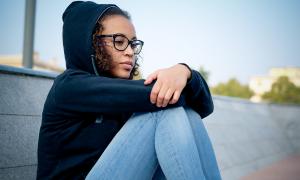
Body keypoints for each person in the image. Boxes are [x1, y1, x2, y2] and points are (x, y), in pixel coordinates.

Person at [37, 1, 222, 180]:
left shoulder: (123, 93)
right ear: (91, 44)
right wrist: (185, 74)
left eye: (133, 44)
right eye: (119, 41)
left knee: (187, 111)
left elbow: (203, 106)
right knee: (162, 107)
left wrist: (186, 72)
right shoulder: (69, 86)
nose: (130, 52)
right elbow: (171, 97)